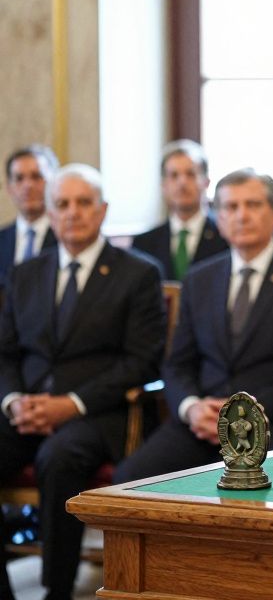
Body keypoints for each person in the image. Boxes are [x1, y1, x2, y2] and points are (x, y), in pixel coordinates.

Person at [0, 164, 165, 600]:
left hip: (99, 413)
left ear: (103, 210)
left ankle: (56, 588)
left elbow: (142, 362)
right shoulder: (25, 274)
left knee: (58, 458)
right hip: (28, 408)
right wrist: (15, 399)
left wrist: (71, 403)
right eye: (62, 204)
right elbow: (7, 352)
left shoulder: (138, 273)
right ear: (50, 214)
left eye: (83, 203)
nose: (72, 213)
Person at [114, 169, 273, 482]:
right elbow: (178, 363)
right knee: (132, 480)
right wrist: (191, 407)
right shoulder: (198, 279)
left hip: (271, 424)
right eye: (230, 208)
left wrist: (245, 413)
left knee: (259, 494)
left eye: (253, 205)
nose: (241, 216)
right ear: (217, 218)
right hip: (201, 423)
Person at [132, 139, 229, 280]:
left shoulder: (226, 237)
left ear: (206, 182)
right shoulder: (143, 244)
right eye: (174, 175)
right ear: (163, 185)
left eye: (190, 174)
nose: (182, 183)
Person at [0, 145, 60, 295]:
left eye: (37, 176)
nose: (28, 185)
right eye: (19, 178)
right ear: (9, 188)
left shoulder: (67, 238)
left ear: (55, 183)